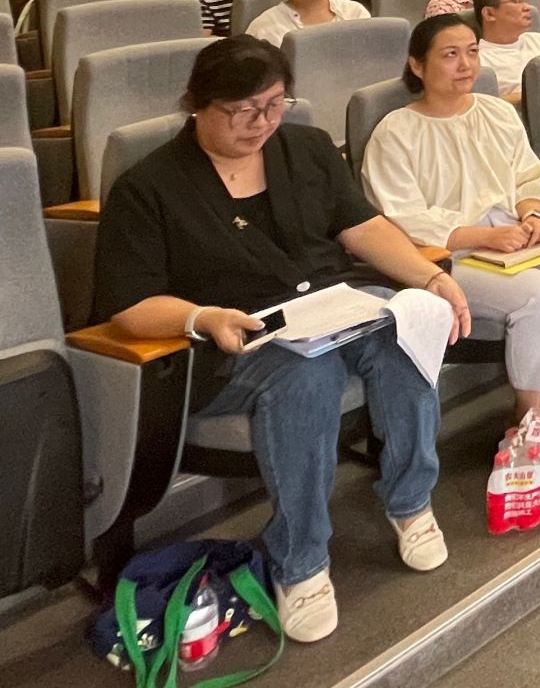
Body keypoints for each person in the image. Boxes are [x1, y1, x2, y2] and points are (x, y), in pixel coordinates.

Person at [91, 37, 467, 642]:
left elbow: (361, 226)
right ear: (196, 104)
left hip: (328, 308)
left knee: (404, 331)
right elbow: (129, 306)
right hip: (231, 340)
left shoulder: (306, 147)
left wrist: (428, 277)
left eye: (272, 105)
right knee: (306, 374)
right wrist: (203, 317)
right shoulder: (149, 187)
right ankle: (302, 561)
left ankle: (410, 502)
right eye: (241, 111)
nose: (260, 123)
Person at [364, 16, 540, 445]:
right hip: (450, 255)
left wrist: (532, 213)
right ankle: (528, 412)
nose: (466, 64)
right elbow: (402, 216)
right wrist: (481, 237)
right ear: (417, 65)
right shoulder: (395, 132)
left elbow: (528, 173)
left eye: (472, 52)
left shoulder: (497, 111)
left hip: (514, 237)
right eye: (450, 55)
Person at [471, 0, 540, 104]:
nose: (527, 7)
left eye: (525, 0)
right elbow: (485, 104)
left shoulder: (539, 40)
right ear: (489, 13)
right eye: (517, 1)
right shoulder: (479, 59)